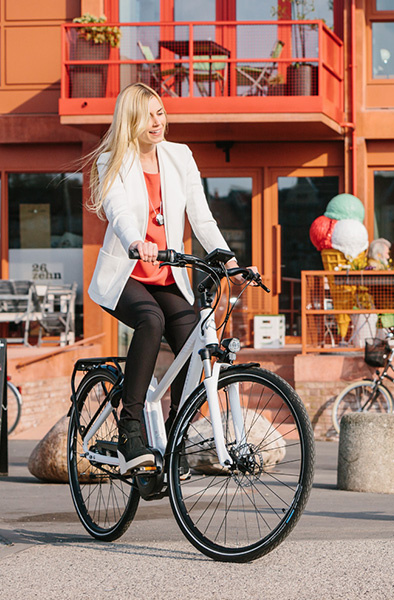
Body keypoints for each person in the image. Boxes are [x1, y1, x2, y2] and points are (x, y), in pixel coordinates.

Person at [86, 83, 255, 475]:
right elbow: (119, 209)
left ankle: (175, 435)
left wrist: (230, 263)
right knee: (151, 320)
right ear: (130, 120)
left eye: (160, 112)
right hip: (127, 273)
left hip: (167, 275)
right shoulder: (112, 159)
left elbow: (202, 217)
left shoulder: (180, 156)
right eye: (147, 115)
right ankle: (131, 426)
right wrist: (136, 241)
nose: (156, 122)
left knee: (191, 340)